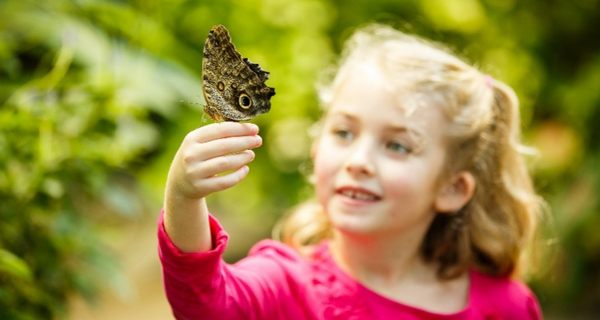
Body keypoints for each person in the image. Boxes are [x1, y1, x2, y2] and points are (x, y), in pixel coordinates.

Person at [158, 24, 545, 319]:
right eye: (344, 132)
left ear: (452, 188)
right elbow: (205, 303)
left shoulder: (505, 305)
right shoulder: (283, 285)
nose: (357, 160)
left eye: (397, 145)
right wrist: (182, 194)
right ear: (316, 150)